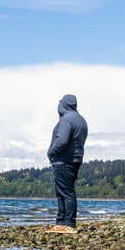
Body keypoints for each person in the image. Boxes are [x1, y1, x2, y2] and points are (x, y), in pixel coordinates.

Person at [46, 94, 88, 234]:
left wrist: (51, 152)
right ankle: (61, 222)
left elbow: (62, 141)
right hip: (74, 159)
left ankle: (68, 223)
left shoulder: (66, 119)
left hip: (64, 160)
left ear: (63, 105)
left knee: (66, 192)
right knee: (63, 191)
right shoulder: (81, 119)